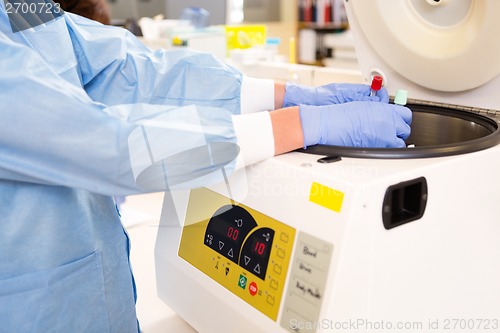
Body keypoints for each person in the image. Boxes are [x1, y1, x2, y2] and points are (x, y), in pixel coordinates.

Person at [0, 1, 411, 332]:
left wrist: (283, 96)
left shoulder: (23, 6)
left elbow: (128, 71)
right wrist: (300, 123)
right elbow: (109, 144)